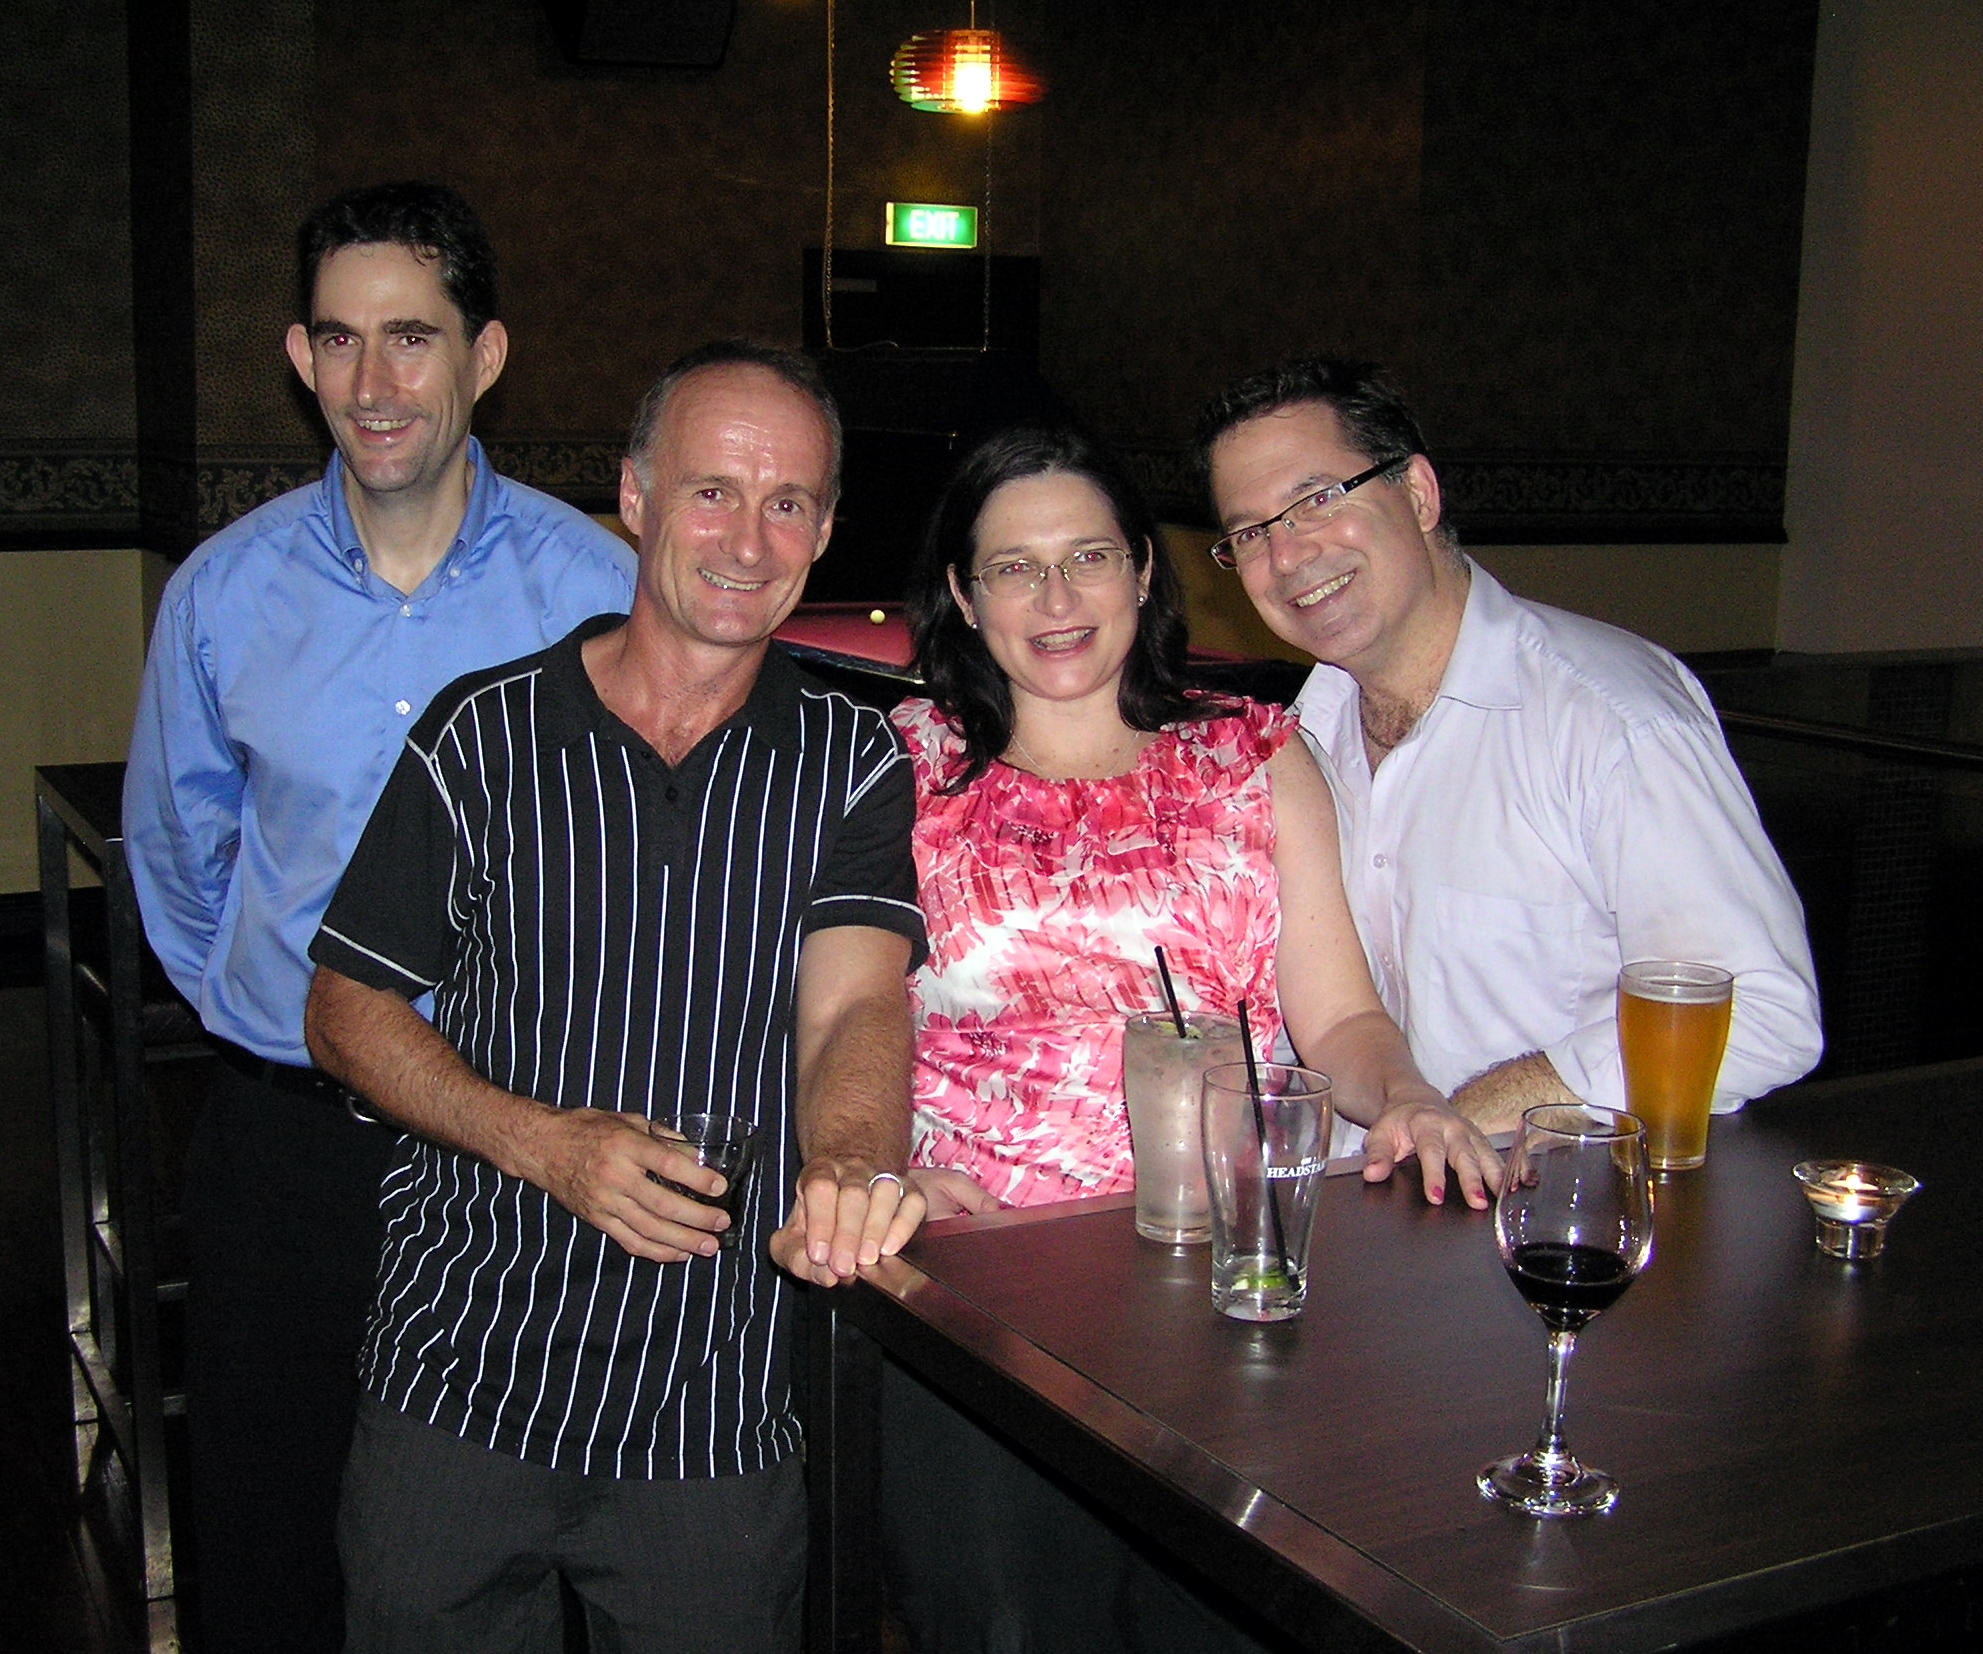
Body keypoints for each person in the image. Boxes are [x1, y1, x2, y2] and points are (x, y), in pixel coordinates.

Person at [300, 340, 928, 1654]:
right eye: (712, 491)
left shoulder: (852, 759)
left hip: (713, 1403)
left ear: (824, 530)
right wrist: (547, 1144)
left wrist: (850, 1161)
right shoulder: (483, 733)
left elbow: (853, 1010)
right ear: (635, 498)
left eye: (788, 502)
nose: (748, 540)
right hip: (459, 1371)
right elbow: (347, 1009)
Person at [882, 424, 1497, 1654]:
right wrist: (885, 1155)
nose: (1058, 598)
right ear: (963, 592)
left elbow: (1340, 1017)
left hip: (1227, 1275)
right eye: (1014, 567)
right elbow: (837, 1010)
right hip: (983, 1279)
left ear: (1144, 570)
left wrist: (1409, 1096)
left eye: (1089, 556)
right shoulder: (902, 765)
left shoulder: (1252, 753)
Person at [121, 181, 635, 1652]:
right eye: (339, 340)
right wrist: (286, 1018)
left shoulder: (599, 592)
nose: (373, 383)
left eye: (411, 337)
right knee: (272, 1526)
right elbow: (181, 856)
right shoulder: (221, 595)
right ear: (299, 357)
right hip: (289, 1147)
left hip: (515, 1147)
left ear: (486, 354)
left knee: (502, 1540)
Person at [1196, 358, 1823, 1135]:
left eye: (1316, 501)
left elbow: (1758, 1011)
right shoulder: (1292, 745)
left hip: (1561, 1196)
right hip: (1357, 1197)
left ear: (1417, 494)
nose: (1287, 556)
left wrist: (1473, 1117)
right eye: (1250, 533)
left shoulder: (1608, 718)